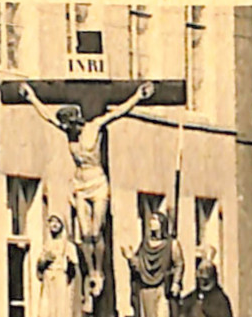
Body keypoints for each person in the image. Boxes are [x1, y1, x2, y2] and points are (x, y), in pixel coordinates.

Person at [17, 79, 157, 302]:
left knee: (95, 231)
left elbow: (118, 112)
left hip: (98, 183)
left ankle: (98, 270)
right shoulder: (67, 131)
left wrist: (138, 97)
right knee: (84, 232)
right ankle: (90, 270)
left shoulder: (94, 127)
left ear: (78, 122)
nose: (68, 131)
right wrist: (31, 96)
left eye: (70, 127)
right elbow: (46, 115)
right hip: (80, 185)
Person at [122, 210, 184, 317]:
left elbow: (179, 263)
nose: (152, 224)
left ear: (162, 224)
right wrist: (129, 258)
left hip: (162, 288)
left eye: (155, 221)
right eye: (150, 221)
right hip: (145, 289)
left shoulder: (171, 245)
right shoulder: (145, 245)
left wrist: (176, 282)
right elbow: (138, 265)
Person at [34, 215, 80, 317]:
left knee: (60, 314)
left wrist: (67, 266)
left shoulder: (68, 246)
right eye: (51, 222)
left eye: (56, 222)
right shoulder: (46, 245)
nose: (53, 225)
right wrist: (43, 262)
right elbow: (39, 269)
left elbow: (73, 268)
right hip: (48, 282)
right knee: (47, 314)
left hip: (61, 282)